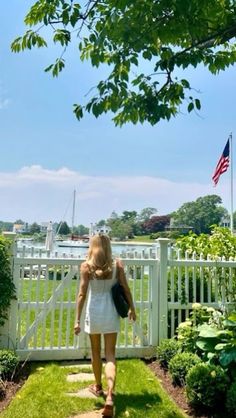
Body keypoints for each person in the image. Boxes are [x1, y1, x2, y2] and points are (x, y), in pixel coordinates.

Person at [74, 234, 136, 417]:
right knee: (110, 355)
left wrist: (77, 320)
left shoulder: (86, 266)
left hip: (94, 313)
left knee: (95, 352)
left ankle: (98, 387)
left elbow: (81, 294)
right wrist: (132, 308)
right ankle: (110, 396)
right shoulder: (117, 264)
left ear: (92, 246)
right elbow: (126, 288)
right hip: (111, 313)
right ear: (109, 246)